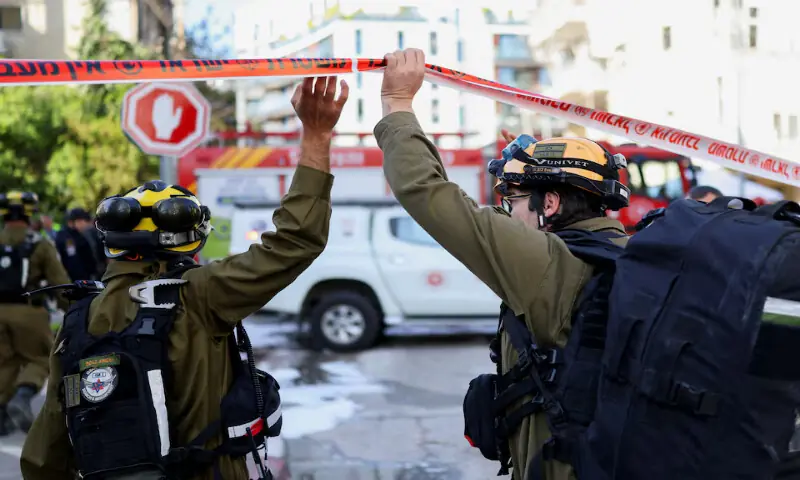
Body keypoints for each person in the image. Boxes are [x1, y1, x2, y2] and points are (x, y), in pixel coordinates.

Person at [20, 75, 348, 480]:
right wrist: (316, 135)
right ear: (190, 243)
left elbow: (44, 452)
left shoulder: (77, 322)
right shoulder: (203, 295)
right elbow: (296, 240)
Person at [375, 49, 630, 480]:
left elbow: (427, 193)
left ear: (548, 203)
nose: (509, 214)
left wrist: (398, 105)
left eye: (513, 202)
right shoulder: (632, 258)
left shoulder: (549, 261)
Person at [0, 191, 71, 436]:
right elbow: (59, 282)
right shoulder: (40, 245)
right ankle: (22, 396)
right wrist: (73, 311)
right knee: (40, 358)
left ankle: (2, 415)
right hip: (29, 312)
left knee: (5, 363)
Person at [55, 208, 102, 281]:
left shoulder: (77, 235)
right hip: (77, 281)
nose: (85, 224)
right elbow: (73, 262)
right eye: (82, 221)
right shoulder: (67, 238)